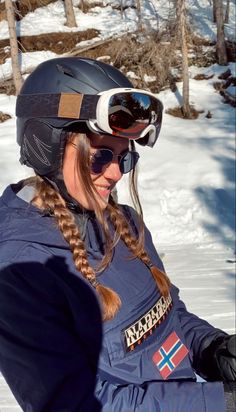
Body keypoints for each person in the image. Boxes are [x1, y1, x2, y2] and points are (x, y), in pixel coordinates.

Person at [0, 57, 235, 412]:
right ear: (45, 143)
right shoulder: (20, 270)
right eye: (100, 156)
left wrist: (213, 350)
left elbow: (169, 318)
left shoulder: (124, 222)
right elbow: (75, 403)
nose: (115, 173)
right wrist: (221, 402)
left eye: (125, 159)